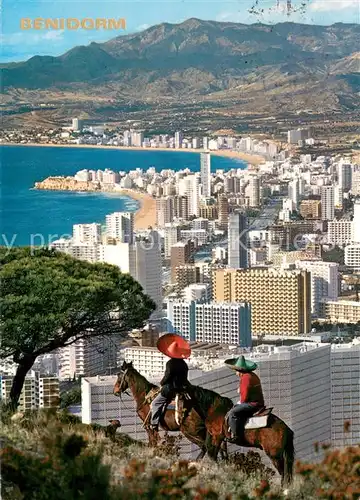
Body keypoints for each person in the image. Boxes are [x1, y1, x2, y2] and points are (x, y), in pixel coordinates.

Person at [150, 334, 191, 431]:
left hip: (170, 389)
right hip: (183, 388)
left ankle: (154, 423)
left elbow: (167, 377)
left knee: (155, 403)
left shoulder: (170, 364)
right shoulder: (184, 364)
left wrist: (162, 382)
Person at [225, 355, 265, 442]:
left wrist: (240, 402)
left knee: (232, 413)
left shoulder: (246, 378)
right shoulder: (252, 375)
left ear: (240, 371)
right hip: (258, 402)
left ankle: (236, 436)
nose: (236, 373)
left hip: (253, 404)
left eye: (236, 371)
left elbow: (244, 397)